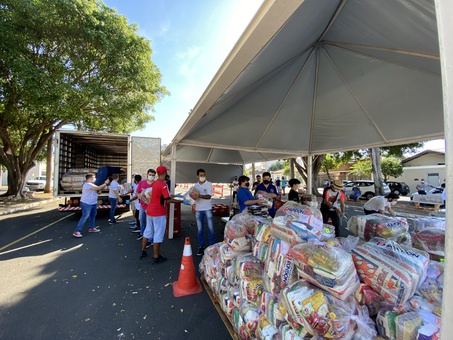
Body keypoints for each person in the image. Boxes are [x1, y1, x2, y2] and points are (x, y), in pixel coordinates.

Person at [141, 166, 181, 264]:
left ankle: (143, 251)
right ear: (164, 173)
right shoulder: (163, 185)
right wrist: (181, 201)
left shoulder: (155, 183)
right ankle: (156, 256)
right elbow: (167, 200)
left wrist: (175, 196)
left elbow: (162, 196)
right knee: (158, 234)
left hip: (150, 210)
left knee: (148, 231)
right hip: (158, 212)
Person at [73, 173, 110, 238]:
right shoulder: (87, 184)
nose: (94, 179)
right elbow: (98, 187)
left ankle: (91, 228)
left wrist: (98, 191)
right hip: (86, 203)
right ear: (90, 179)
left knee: (93, 215)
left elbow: (97, 190)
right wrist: (106, 183)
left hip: (93, 203)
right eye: (93, 178)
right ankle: (77, 231)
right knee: (85, 216)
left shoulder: (92, 184)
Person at [193, 169, 215, 256]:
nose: (202, 177)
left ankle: (212, 246)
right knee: (200, 229)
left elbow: (209, 196)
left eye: (204, 175)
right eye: (201, 175)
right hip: (198, 209)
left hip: (207, 208)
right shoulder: (195, 185)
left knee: (211, 228)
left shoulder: (209, 184)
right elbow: (193, 196)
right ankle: (201, 246)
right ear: (197, 176)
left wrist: (200, 195)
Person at [135, 169, 156, 243]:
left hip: (150, 207)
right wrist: (139, 195)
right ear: (147, 174)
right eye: (150, 175)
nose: (151, 176)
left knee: (150, 222)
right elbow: (137, 192)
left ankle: (150, 238)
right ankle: (142, 233)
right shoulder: (142, 183)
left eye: (153, 175)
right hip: (142, 205)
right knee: (141, 219)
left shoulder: (155, 184)